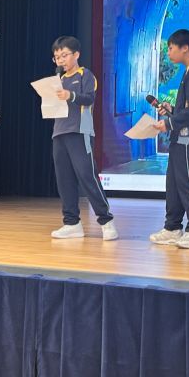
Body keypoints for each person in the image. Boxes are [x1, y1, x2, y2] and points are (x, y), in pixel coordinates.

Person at [49, 35, 117, 240]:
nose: (60, 60)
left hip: (80, 131)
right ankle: (71, 223)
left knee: (87, 175)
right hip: (59, 132)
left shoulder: (86, 75)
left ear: (76, 54)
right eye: (57, 57)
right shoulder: (59, 80)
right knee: (64, 179)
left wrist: (70, 95)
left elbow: (89, 98)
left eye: (64, 55)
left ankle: (106, 221)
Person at [149, 28, 189, 249]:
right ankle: (172, 227)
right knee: (174, 183)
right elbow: (187, 108)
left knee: (187, 183)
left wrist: (168, 123)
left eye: (171, 48)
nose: (168, 52)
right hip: (180, 137)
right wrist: (171, 111)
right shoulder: (188, 72)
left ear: (185, 48)